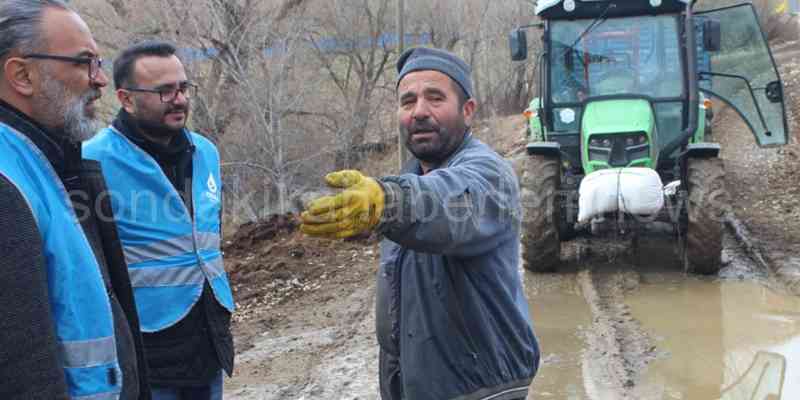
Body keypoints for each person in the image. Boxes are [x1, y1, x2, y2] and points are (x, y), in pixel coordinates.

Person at [300, 47, 540, 400]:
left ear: (468, 110)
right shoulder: (406, 179)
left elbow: (446, 203)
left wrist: (387, 202)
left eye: (435, 98)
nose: (420, 112)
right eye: (408, 101)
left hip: (481, 390)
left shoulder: (489, 174)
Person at [0, 1, 150, 399]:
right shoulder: (7, 183)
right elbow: (21, 371)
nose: (100, 80)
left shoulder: (45, 159)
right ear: (22, 75)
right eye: (85, 63)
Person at [83, 40, 235, 400]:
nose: (180, 99)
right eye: (164, 91)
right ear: (125, 98)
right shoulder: (92, 161)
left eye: (183, 88)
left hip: (209, 343)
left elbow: (206, 241)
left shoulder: (205, 152)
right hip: (147, 353)